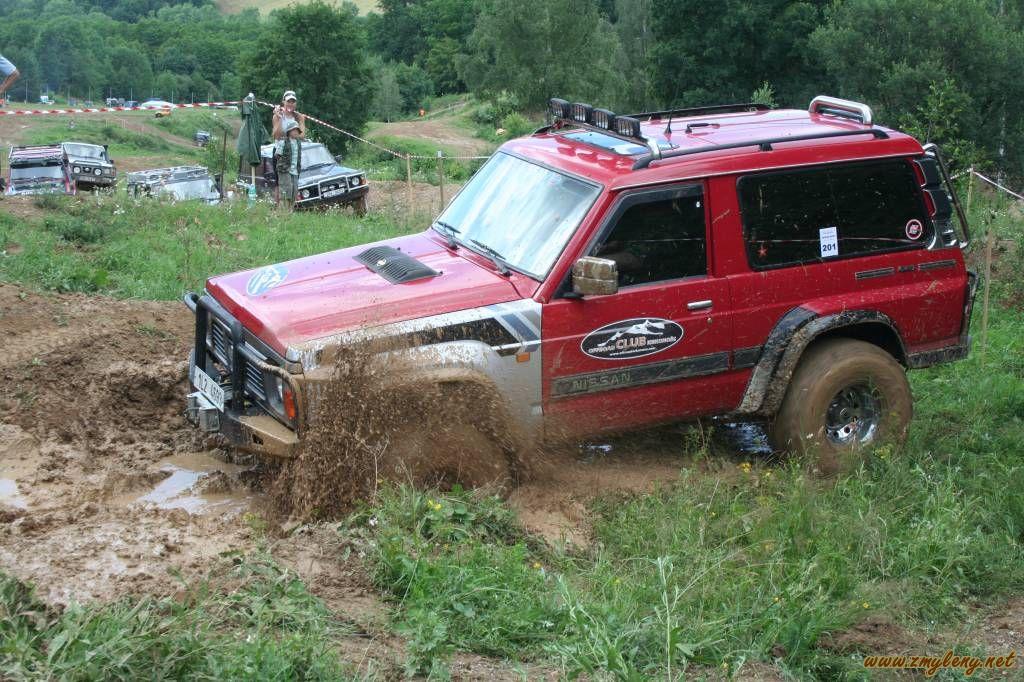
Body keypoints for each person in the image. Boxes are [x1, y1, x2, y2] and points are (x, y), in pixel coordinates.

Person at [276, 119, 302, 211]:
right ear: (289, 131)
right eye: (293, 130)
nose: (295, 132)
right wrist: (283, 165)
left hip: (295, 171)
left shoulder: (298, 142)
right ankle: (283, 212)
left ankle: (290, 211)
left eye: (297, 130)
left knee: (294, 192)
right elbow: (277, 155)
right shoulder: (283, 141)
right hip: (285, 170)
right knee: (286, 191)